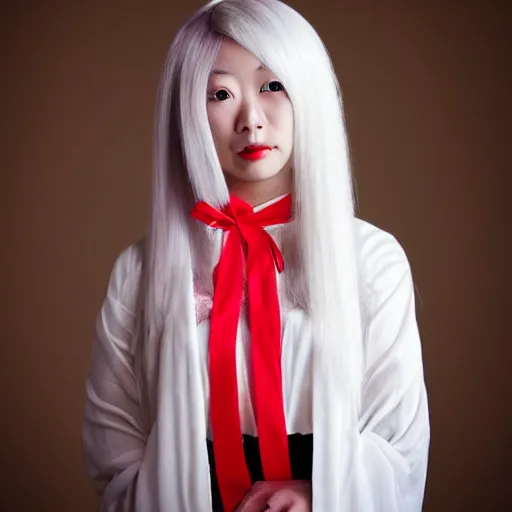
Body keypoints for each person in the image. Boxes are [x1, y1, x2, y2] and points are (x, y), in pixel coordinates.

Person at [82, 0, 430, 510]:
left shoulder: (372, 261)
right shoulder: (139, 274)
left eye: (272, 86)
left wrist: (320, 497)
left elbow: (399, 445)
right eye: (220, 94)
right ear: (187, 113)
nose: (251, 121)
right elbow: (113, 454)